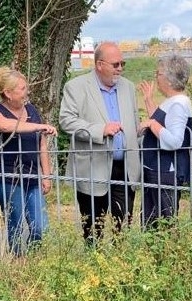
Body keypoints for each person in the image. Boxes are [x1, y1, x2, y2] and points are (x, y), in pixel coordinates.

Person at [59, 41, 140, 244]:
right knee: (93, 227)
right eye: (116, 64)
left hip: (124, 168)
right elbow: (66, 121)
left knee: (123, 224)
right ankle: (94, 265)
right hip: (94, 167)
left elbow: (134, 121)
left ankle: (120, 264)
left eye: (123, 64)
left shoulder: (128, 87)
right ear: (99, 64)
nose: (120, 68)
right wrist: (99, 130)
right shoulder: (76, 87)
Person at [0, 67, 57, 256]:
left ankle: (34, 260)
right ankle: (16, 259)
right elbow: (4, 125)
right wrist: (39, 126)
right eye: (23, 89)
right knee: (15, 221)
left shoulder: (31, 110)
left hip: (32, 175)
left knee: (41, 226)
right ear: (8, 93)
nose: (27, 92)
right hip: (7, 176)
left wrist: (46, 175)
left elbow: (42, 145)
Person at [138, 54, 192, 229]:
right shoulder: (173, 102)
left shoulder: (178, 104)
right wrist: (148, 101)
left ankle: (166, 254)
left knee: (162, 223)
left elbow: (174, 141)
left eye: (158, 74)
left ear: (169, 79)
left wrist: (152, 124)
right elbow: (163, 124)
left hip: (165, 172)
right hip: (157, 170)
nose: (156, 77)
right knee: (151, 221)